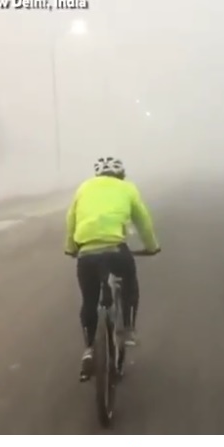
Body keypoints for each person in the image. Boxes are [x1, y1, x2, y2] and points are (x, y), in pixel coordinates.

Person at [64, 157, 160, 381]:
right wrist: (152, 247)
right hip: (116, 250)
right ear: (121, 174)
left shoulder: (84, 188)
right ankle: (127, 329)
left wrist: (70, 248)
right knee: (129, 282)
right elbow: (142, 220)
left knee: (89, 300)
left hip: (86, 253)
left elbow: (71, 220)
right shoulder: (127, 188)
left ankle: (89, 348)